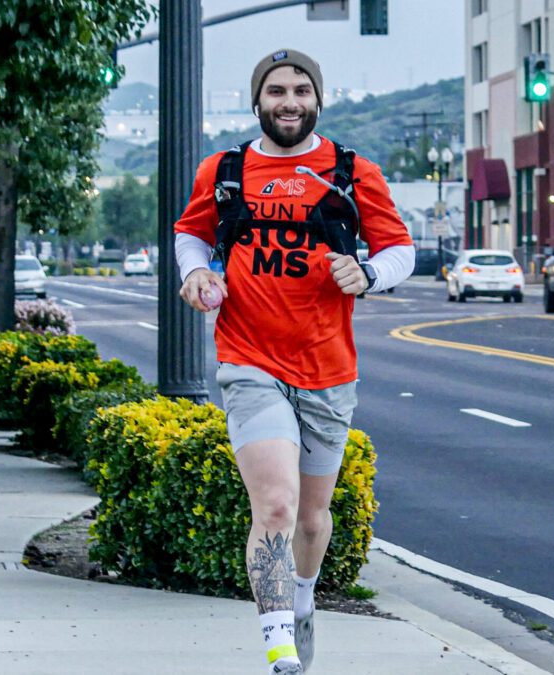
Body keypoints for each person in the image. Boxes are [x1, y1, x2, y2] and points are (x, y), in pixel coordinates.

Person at [174, 49, 415, 674]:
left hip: (328, 368)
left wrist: (366, 273)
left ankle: (301, 599)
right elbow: (192, 232)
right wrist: (198, 271)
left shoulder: (351, 171)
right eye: (276, 90)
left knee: (311, 519)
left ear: (317, 99)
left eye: (301, 90)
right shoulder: (224, 170)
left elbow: (399, 249)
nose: (289, 101)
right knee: (275, 505)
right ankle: (280, 644)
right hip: (249, 358)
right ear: (258, 100)